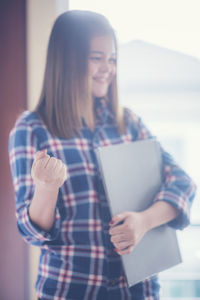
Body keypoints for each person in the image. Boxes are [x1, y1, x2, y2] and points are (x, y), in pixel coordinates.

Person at [8, 10, 196, 300]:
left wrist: (143, 221)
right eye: (97, 58)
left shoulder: (128, 124)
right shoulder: (32, 129)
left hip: (138, 292)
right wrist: (46, 188)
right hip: (72, 290)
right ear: (67, 60)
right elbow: (32, 231)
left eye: (112, 59)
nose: (108, 68)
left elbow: (183, 183)